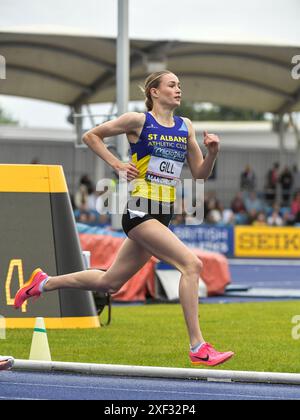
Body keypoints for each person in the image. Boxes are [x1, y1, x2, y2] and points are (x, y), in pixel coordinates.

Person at [14, 70, 234, 367]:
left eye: (180, 85)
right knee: (192, 264)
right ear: (155, 92)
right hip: (140, 211)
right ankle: (197, 346)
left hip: (163, 214)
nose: (178, 89)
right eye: (172, 85)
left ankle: (44, 283)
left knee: (109, 282)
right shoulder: (138, 121)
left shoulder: (186, 127)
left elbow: (200, 175)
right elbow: (90, 136)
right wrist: (117, 164)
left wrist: (213, 153)